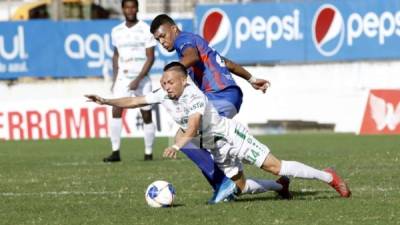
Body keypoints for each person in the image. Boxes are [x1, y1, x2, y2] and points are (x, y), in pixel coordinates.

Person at [85, 62, 352, 203]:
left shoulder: (194, 96)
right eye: (163, 82)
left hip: (233, 138)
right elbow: (134, 101)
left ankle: (328, 176)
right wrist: (106, 101)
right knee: (242, 187)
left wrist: (178, 145)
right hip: (217, 148)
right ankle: (280, 188)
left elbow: (192, 125)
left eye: (170, 82)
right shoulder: (163, 94)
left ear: (183, 80)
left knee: (274, 165)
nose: (165, 86)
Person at [149, 14, 272, 203]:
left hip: (219, 95)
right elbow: (226, 62)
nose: (162, 42)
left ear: (173, 28)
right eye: (158, 40)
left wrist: (171, 72)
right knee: (204, 144)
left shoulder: (184, 40)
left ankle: (223, 185)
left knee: (186, 139)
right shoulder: (196, 41)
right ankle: (277, 183)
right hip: (228, 95)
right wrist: (252, 79)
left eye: (163, 36)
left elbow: (191, 56)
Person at [105, 0, 156, 162]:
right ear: (122, 9)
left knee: (146, 114)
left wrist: (138, 79)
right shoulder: (116, 31)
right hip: (123, 78)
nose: (130, 10)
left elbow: (150, 57)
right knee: (116, 110)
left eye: (133, 7)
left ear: (137, 9)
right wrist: (115, 78)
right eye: (127, 7)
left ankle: (148, 152)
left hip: (141, 78)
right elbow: (116, 55)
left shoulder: (146, 29)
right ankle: (115, 152)